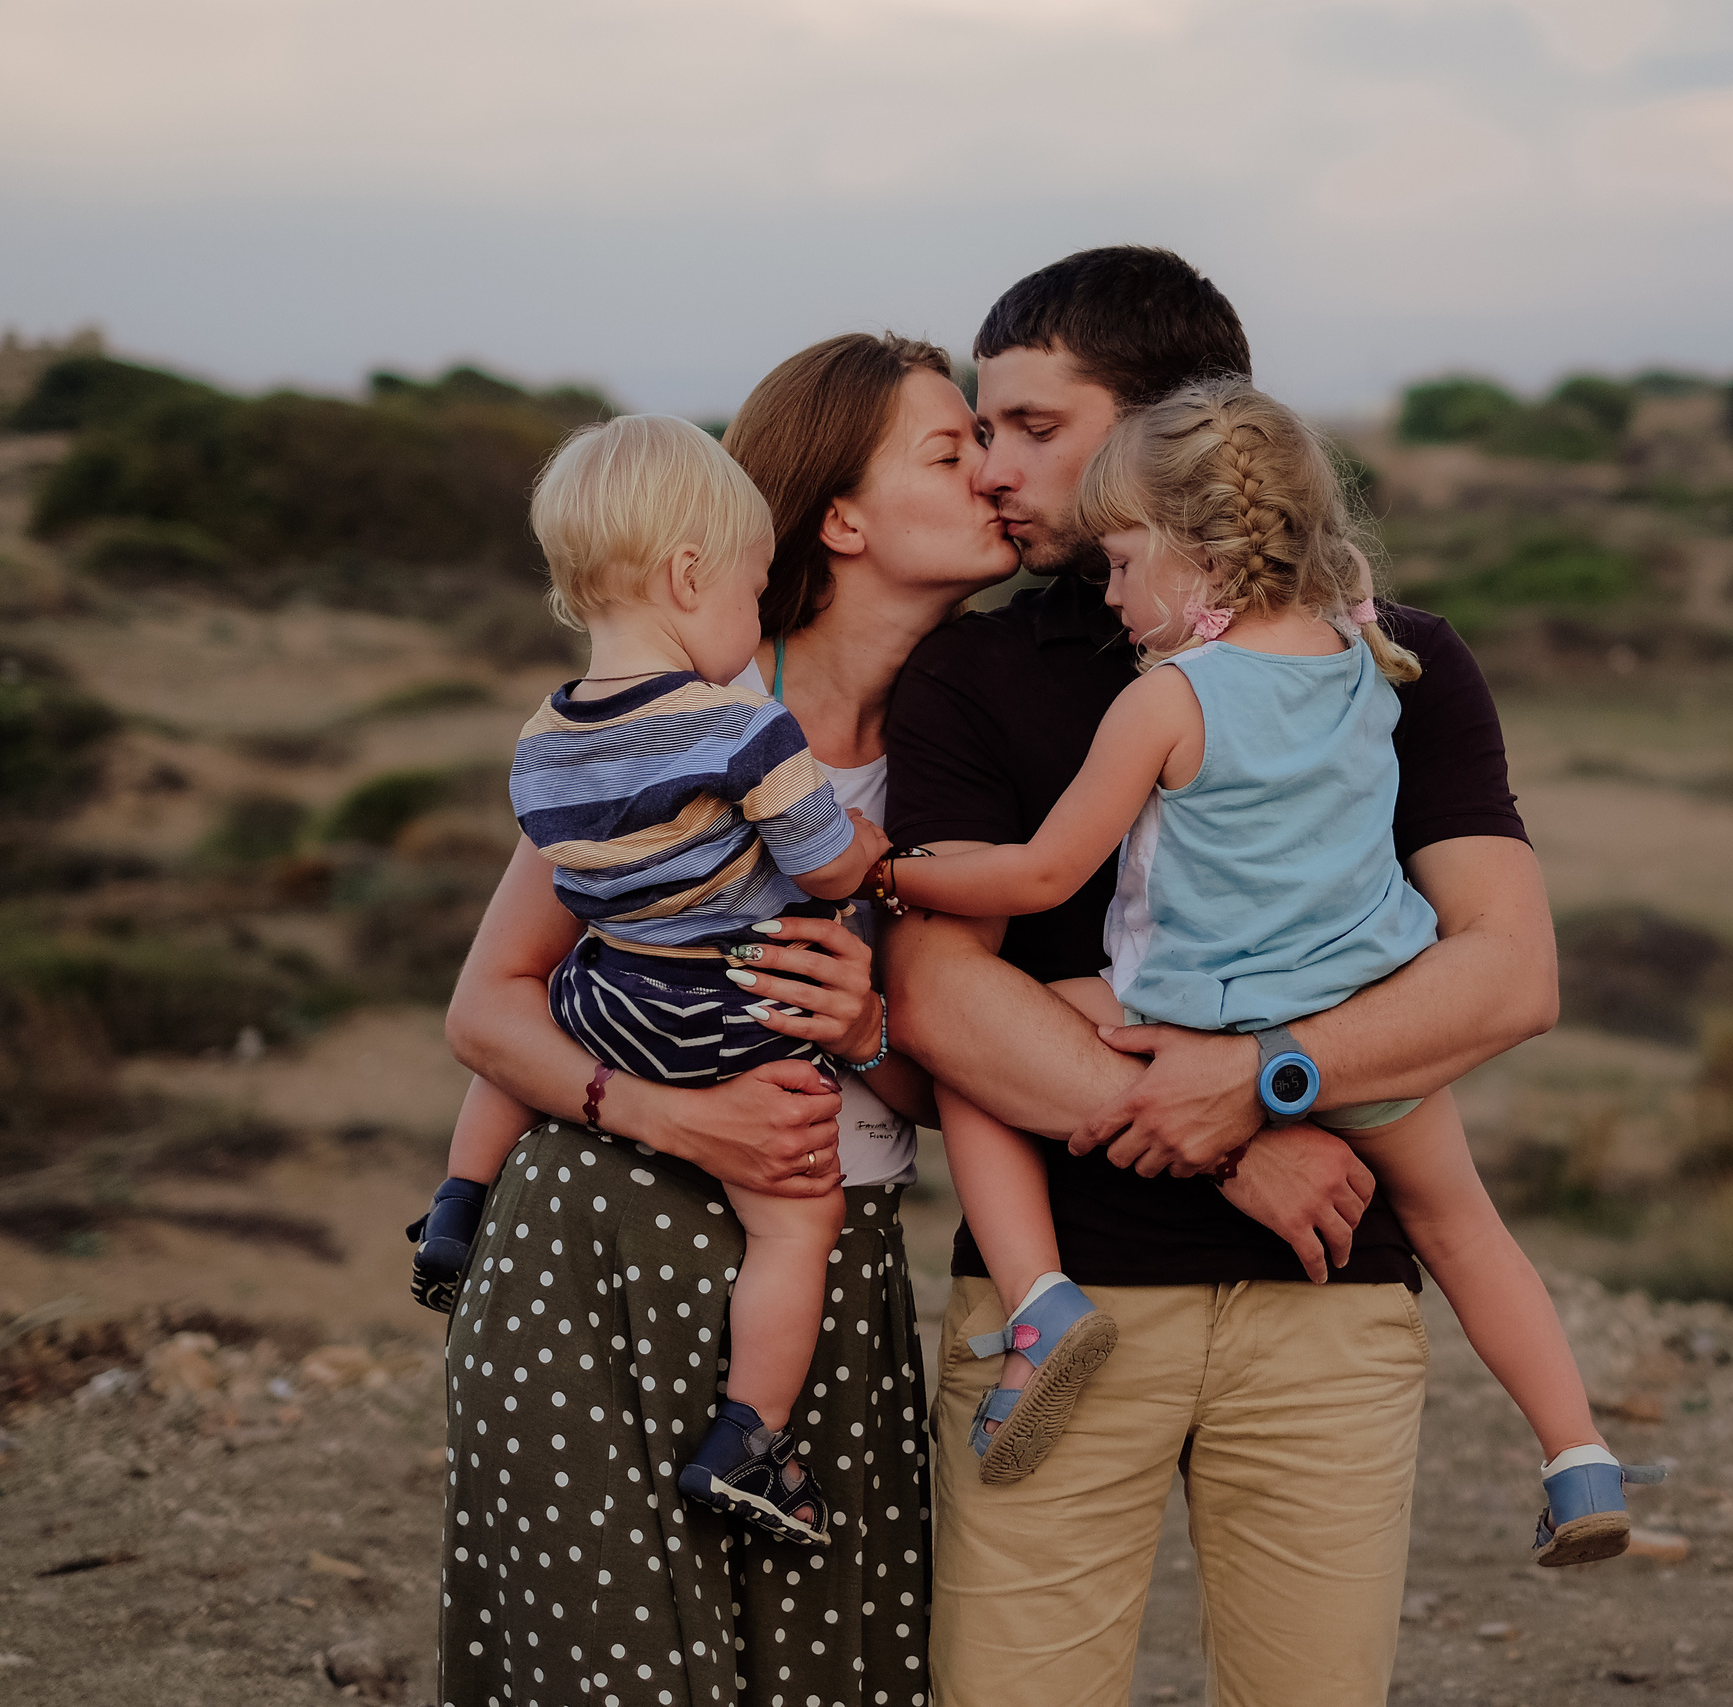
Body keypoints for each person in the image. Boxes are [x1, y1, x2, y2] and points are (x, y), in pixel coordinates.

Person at [884, 248, 1562, 1706]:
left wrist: (1265, 1075)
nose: (992, 463)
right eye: (981, 428)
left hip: (1330, 1293)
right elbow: (937, 997)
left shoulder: (1388, 664)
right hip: (1056, 1304)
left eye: (1031, 427)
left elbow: (1509, 974)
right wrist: (1229, 1141)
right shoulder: (967, 675)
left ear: (1168, 434)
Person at [433, 332, 1017, 1706]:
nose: (995, 475)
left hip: (825, 1260)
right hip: (595, 1250)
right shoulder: (694, 720)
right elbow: (486, 1003)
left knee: (822, 1670)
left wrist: (876, 1029)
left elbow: (980, 1097)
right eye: (953, 449)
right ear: (842, 516)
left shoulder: (986, 750)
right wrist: (679, 1113)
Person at [407, 413, 893, 1544]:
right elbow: (821, 866)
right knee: (795, 1225)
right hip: (727, 1007)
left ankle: (455, 1209)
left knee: (532, 1040)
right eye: (750, 586)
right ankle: (750, 1441)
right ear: (688, 573)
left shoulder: (543, 737)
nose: (753, 615)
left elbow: (567, 898)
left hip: (608, 996)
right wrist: (867, 860)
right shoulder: (743, 724)